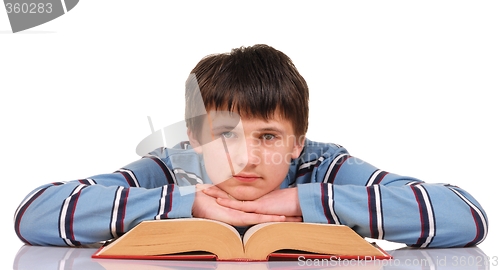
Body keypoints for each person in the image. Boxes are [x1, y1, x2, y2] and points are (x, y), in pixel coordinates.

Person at [14, 44, 487, 248]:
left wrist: (304, 200)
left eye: (268, 137)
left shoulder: (323, 165)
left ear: (297, 142)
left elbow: (467, 214)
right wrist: (190, 203)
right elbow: (34, 212)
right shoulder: (175, 168)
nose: (246, 157)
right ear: (194, 138)